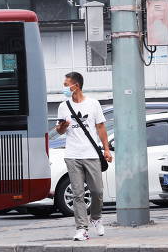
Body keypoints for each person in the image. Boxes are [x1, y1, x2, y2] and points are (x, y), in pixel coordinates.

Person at [55, 71, 112, 241]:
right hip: (72, 155)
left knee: (97, 191)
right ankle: (82, 229)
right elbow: (59, 130)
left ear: (76, 86)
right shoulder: (63, 106)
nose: (64, 88)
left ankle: (95, 218)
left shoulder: (93, 104)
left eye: (66, 85)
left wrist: (106, 149)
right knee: (78, 194)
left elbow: (101, 128)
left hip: (92, 154)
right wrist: (63, 127)